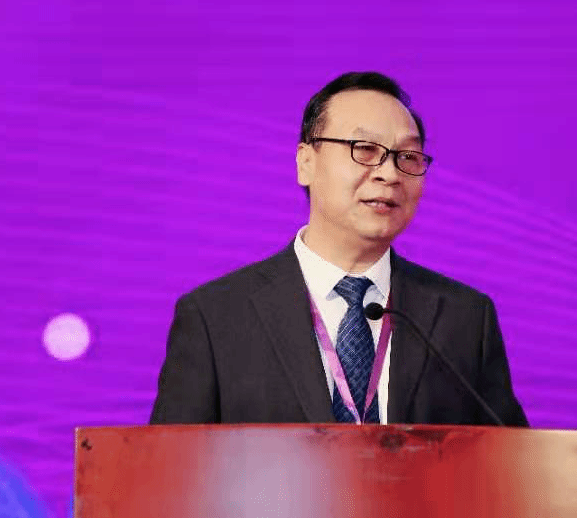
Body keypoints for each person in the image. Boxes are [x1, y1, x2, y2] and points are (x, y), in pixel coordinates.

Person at [150, 72, 528, 426]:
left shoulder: (464, 318)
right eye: (365, 149)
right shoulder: (216, 317)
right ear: (306, 163)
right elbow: (170, 464)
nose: (390, 174)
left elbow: (510, 460)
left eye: (408, 157)